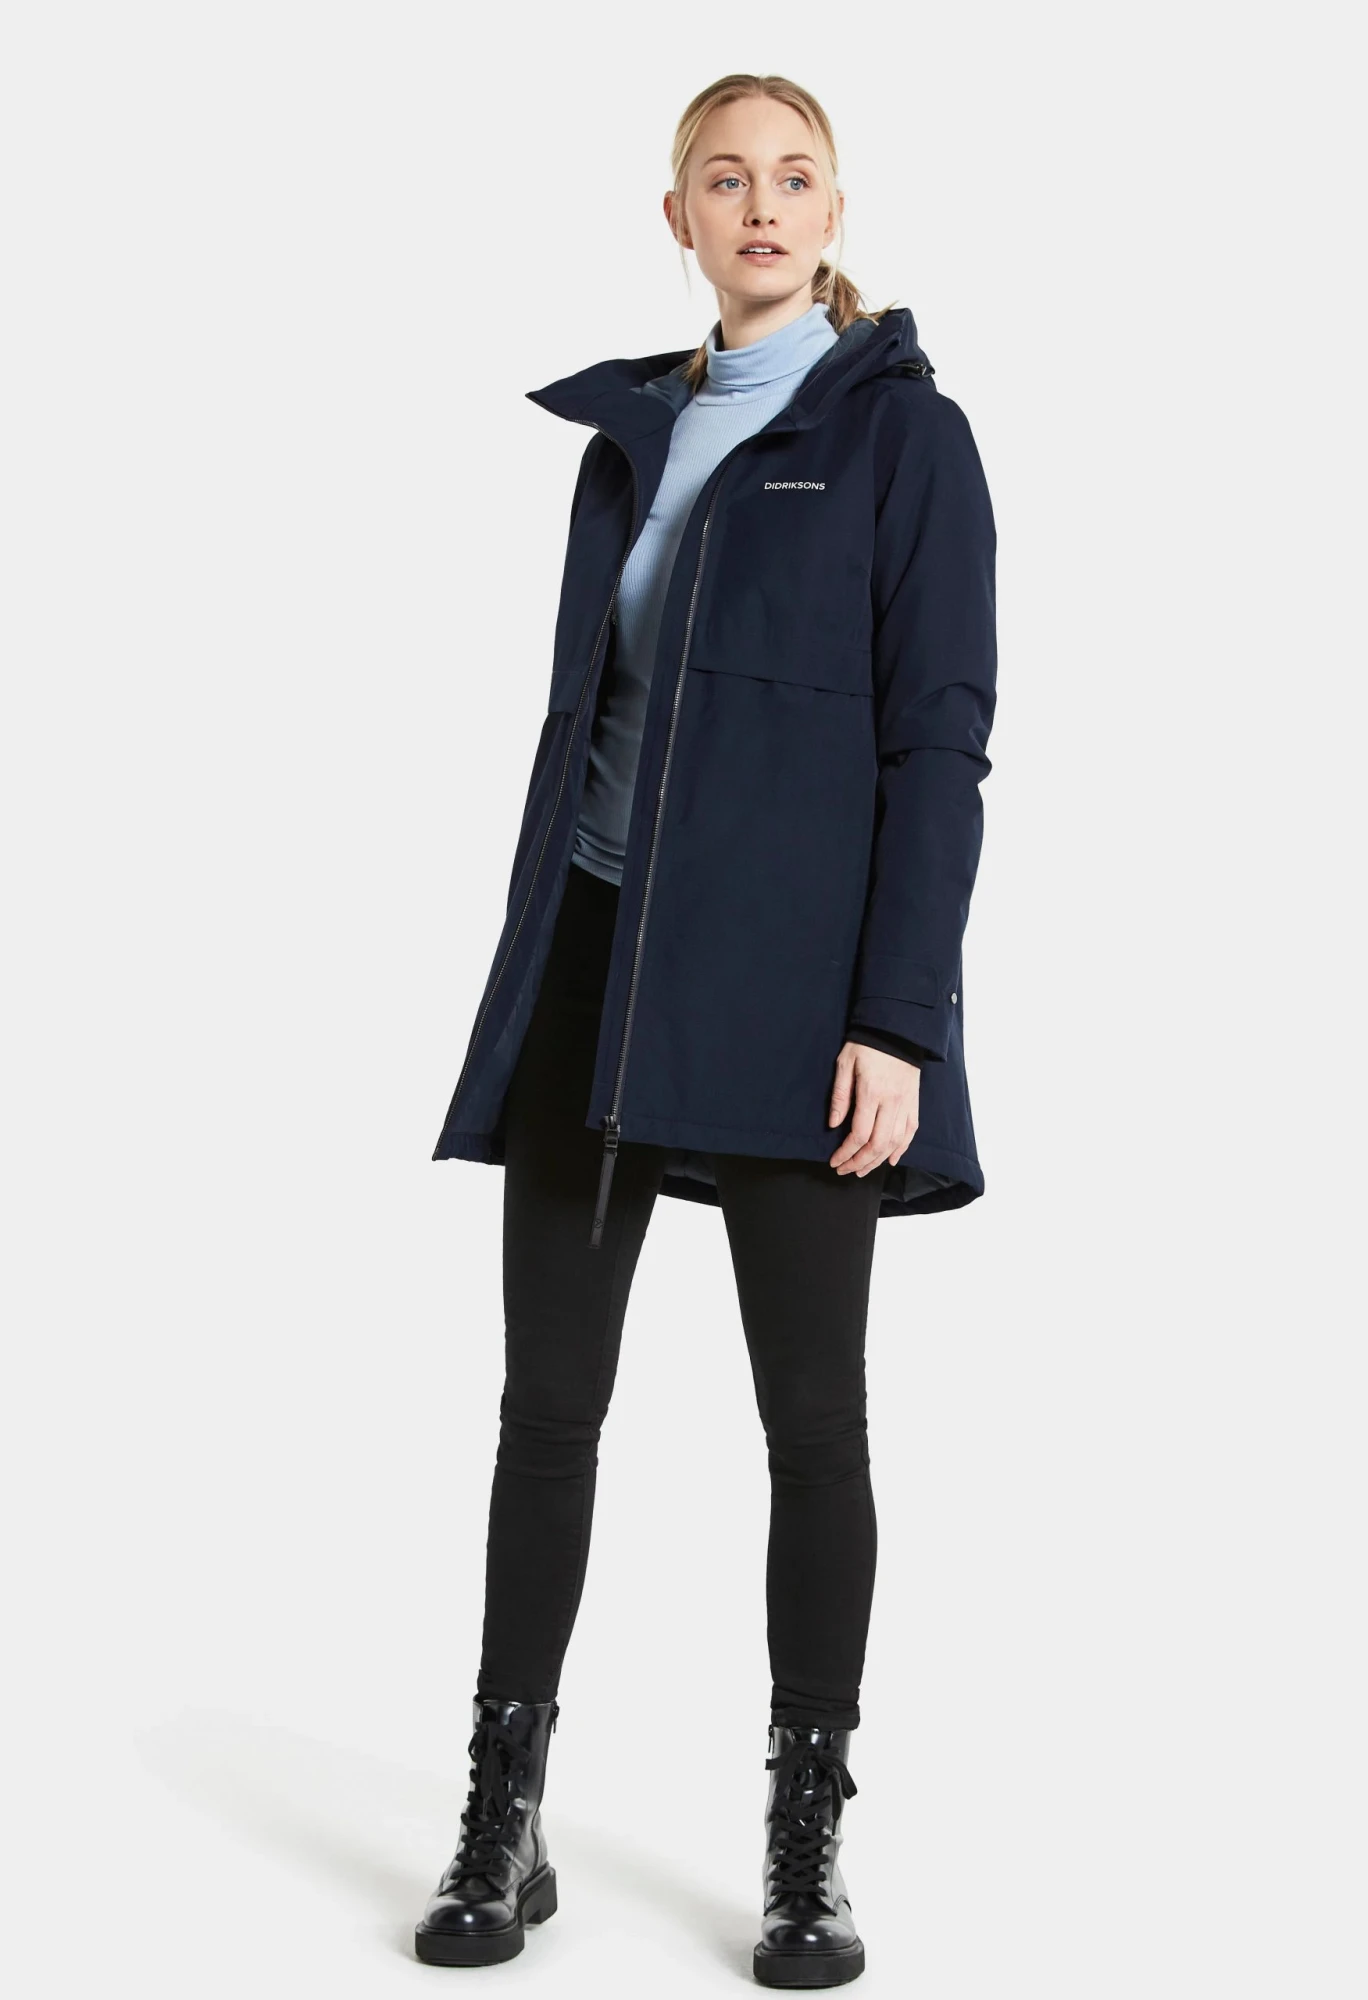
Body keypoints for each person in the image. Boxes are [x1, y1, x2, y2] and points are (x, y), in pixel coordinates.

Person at [414, 71, 997, 1988]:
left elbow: (940, 746)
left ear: (835, 211)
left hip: (801, 995)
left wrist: (897, 1020)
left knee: (811, 1421)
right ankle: (503, 1813)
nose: (762, 205)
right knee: (547, 1408)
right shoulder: (632, 438)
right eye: (726, 179)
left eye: (795, 177)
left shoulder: (904, 438)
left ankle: (807, 1839)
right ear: (676, 215)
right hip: (596, 957)